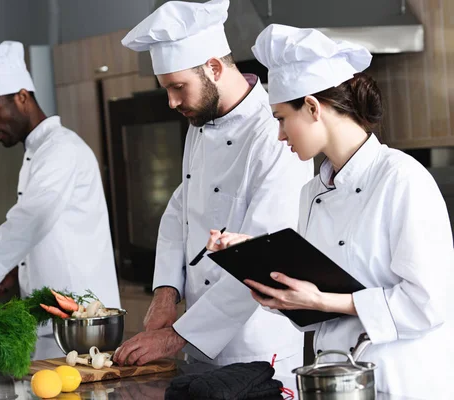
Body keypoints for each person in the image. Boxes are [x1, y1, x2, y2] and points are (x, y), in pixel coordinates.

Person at [207, 24, 454, 397]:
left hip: (401, 381)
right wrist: (259, 264)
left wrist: (320, 300)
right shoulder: (313, 191)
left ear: (311, 107)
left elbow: (429, 303)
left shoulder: (401, 178)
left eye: (280, 118)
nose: (280, 135)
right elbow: (317, 300)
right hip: (338, 379)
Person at [113, 0, 313, 376]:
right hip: (198, 346)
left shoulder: (275, 135)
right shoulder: (201, 124)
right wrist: (166, 293)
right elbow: (181, 210)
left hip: (256, 352)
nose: (172, 102)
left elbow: (263, 257)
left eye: (178, 87)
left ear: (214, 68)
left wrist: (174, 336)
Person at [0, 41, 121, 359]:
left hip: (80, 326)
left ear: (22, 97)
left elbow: (32, 218)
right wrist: (8, 278)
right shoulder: (37, 152)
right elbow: (46, 232)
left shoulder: (61, 149)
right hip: (50, 323)